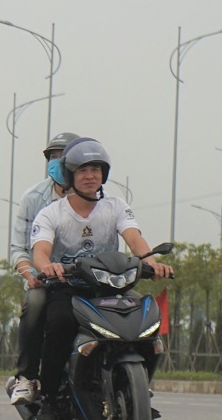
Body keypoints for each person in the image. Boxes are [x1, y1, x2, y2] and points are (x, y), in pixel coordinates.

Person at [29, 138, 173, 404]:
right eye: (83, 170)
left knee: (147, 321)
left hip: (110, 286)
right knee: (59, 323)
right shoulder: (51, 213)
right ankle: (49, 397)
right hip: (68, 287)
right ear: (70, 175)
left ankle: (137, 388)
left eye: (95, 169)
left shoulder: (116, 206)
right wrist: (48, 266)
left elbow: (134, 239)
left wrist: (151, 263)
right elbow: (40, 252)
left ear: (103, 174)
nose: (90, 176)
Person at [5, 132, 77, 406]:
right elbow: (19, 248)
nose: (58, 163)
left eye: (65, 157)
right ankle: (26, 377)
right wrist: (29, 274)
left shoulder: (99, 199)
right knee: (34, 304)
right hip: (45, 281)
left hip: (86, 281)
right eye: (53, 158)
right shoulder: (34, 199)